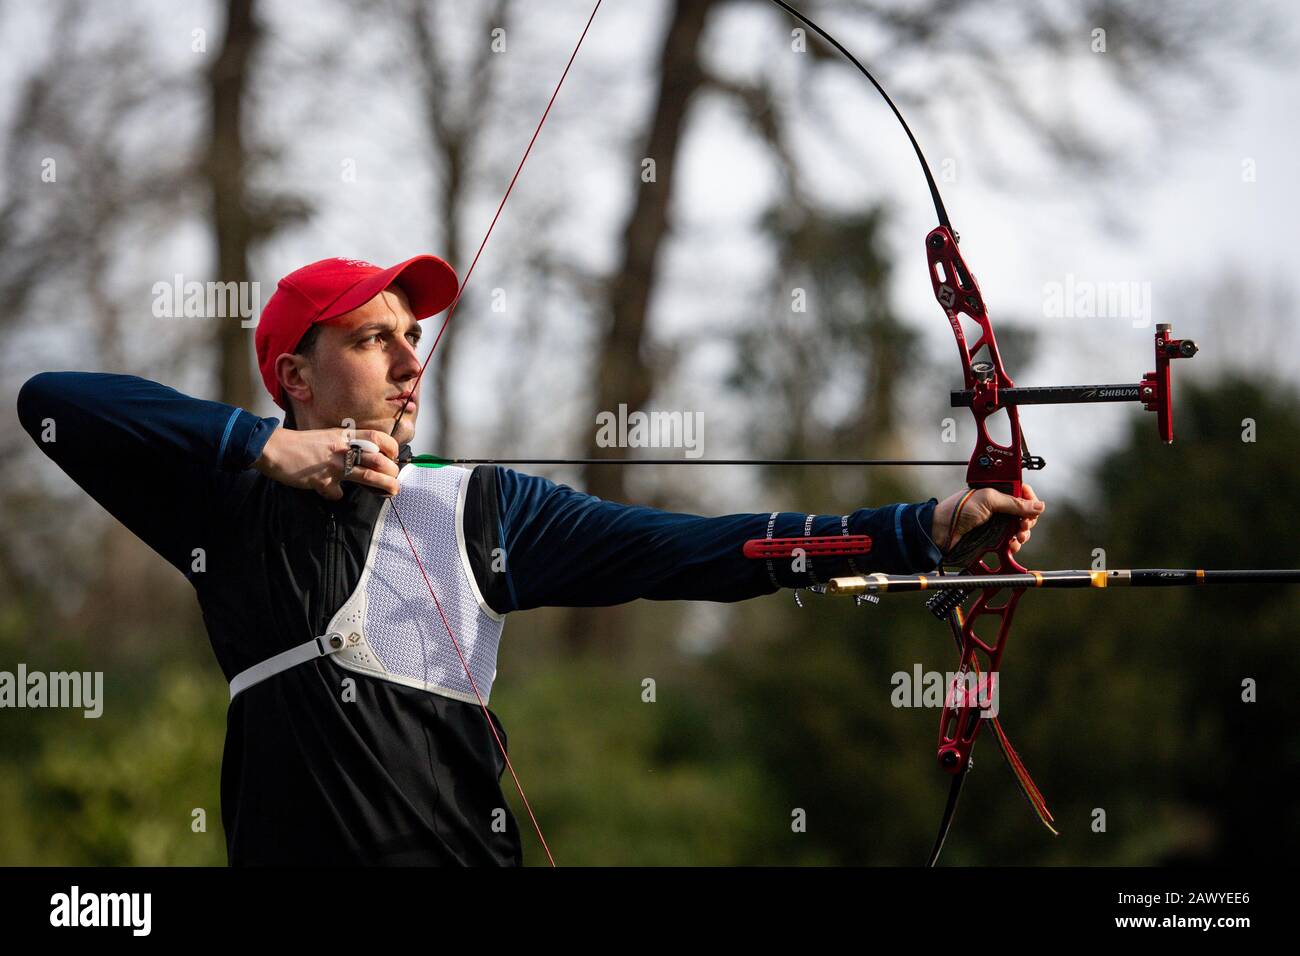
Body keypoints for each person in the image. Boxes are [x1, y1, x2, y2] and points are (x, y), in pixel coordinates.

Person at [17, 254, 1043, 865]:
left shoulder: (480, 507)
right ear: (296, 373)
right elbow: (52, 401)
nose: (413, 360)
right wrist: (266, 445)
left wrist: (919, 529)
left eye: (414, 336)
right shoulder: (230, 503)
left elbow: (693, 548)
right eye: (376, 338)